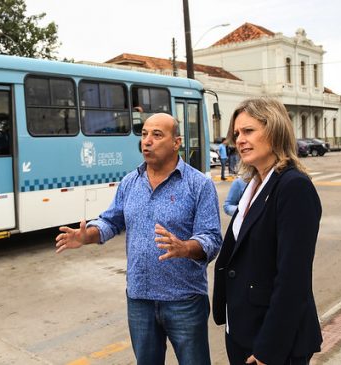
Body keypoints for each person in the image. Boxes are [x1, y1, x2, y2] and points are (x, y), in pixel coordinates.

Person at [55, 113, 222, 365]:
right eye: (144, 134)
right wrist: (87, 235)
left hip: (184, 301)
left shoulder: (198, 185)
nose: (147, 141)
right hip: (139, 300)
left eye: (157, 135)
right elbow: (111, 220)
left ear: (176, 142)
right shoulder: (130, 182)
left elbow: (211, 238)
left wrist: (185, 247)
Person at [212, 98, 322, 365]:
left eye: (248, 131)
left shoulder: (293, 187)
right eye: (236, 133)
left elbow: (292, 278)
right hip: (241, 328)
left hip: (272, 342)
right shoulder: (255, 184)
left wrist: (268, 351)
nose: (239, 140)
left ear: (274, 130)